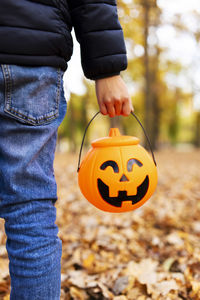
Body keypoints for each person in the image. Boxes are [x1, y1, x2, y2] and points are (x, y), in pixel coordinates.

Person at [0, 0, 133, 299]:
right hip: (33, 59)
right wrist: (107, 70)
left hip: (32, 58)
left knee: (30, 209)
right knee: (29, 208)